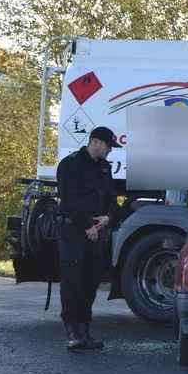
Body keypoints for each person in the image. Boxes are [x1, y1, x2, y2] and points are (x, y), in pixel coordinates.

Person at [56, 126, 121, 351]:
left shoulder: (104, 168)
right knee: (72, 279)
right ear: (95, 142)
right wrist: (87, 225)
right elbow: (69, 198)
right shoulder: (71, 164)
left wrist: (108, 218)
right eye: (108, 146)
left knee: (91, 280)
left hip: (95, 232)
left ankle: (85, 329)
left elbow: (111, 198)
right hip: (73, 231)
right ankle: (72, 329)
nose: (110, 151)